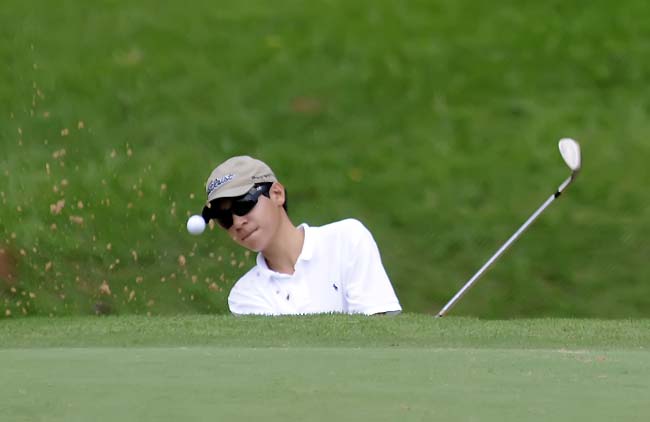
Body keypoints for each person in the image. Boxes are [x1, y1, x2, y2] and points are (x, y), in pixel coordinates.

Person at [201, 155, 402, 316]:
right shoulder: (245, 294)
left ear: (277, 194)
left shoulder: (347, 238)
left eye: (243, 204)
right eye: (224, 218)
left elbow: (378, 329)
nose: (237, 222)